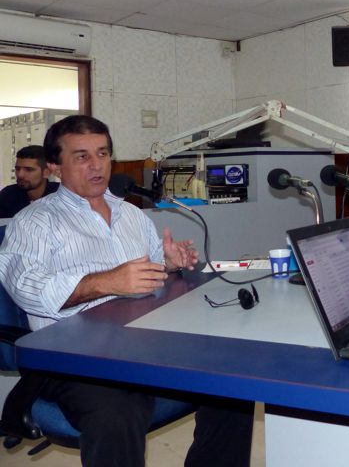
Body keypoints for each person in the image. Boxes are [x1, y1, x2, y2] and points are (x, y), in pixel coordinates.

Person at [0, 115, 253, 467]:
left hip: (142, 344)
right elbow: (27, 289)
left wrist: (168, 263)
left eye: (103, 154)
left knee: (233, 372)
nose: (97, 165)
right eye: (82, 156)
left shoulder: (130, 214)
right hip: (73, 359)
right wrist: (107, 281)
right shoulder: (34, 222)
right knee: (118, 408)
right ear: (55, 167)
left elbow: (147, 271)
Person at [0, 145, 59, 218]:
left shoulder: (62, 195)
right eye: (18, 169)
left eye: (28, 170)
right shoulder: (8, 195)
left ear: (46, 172)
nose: (20, 174)